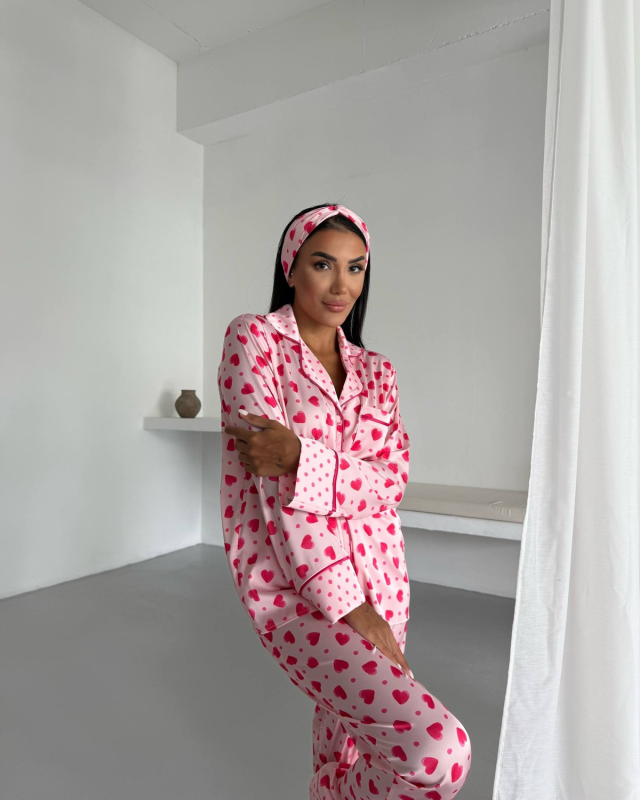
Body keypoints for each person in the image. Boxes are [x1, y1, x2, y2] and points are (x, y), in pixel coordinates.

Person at [217, 203, 472, 799]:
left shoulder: (378, 372)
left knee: (350, 747)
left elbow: (392, 481)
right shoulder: (254, 340)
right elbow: (277, 495)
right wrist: (353, 608)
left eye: (356, 268)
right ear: (291, 268)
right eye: (323, 264)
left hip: (386, 581)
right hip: (297, 592)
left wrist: (302, 457)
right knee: (436, 753)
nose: (342, 286)